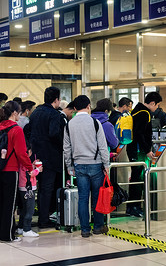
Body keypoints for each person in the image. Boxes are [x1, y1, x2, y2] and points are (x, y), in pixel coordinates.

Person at [63, 95, 110, 237]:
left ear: (75, 108)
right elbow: (103, 146)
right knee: (97, 197)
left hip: (79, 165)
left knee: (83, 198)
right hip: (96, 165)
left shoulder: (69, 124)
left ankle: (84, 230)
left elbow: (67, 148)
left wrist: (69, 166)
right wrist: (106, 164)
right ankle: (97, 227)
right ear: (89, 106)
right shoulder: (95, 123)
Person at [0, 101, 33, 242]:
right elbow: (22, 153)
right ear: (15, 113)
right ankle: (7, 235)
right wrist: (30, 168)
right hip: (11, 170)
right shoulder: (16, 129)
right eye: (20, 112)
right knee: (10, 204)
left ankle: (0, 231)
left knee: (0, 203)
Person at [28, 86, 63, 228]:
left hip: (36, 156)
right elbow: (54, 134)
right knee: (47, 188)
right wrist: (62, 145)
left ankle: (37, 216)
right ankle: (44, 219)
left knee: (38, 188)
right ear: (56, 100)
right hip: (50, 156)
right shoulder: (54, 114)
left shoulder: (35, 113)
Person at [126, 92, 162, 218]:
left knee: (136, 177)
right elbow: (140, 134)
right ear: (152, 103)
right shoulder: (144, 113)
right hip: (138, 150)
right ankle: (134, 207)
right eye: (157, 105)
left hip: (133, 148)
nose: (157, 108)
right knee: (138, 178)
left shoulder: (136, 110)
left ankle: (132, 206)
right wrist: (147, 150)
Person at [17, 144, 42, 237]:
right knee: (30, 210)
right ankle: (27, 229)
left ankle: (20, 227)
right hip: (28, 188)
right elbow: (31, 173)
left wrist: (33, 164)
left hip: (22, 187)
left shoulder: (20, 160)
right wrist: (38, 170)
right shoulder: (26, 161)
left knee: (24, 209)